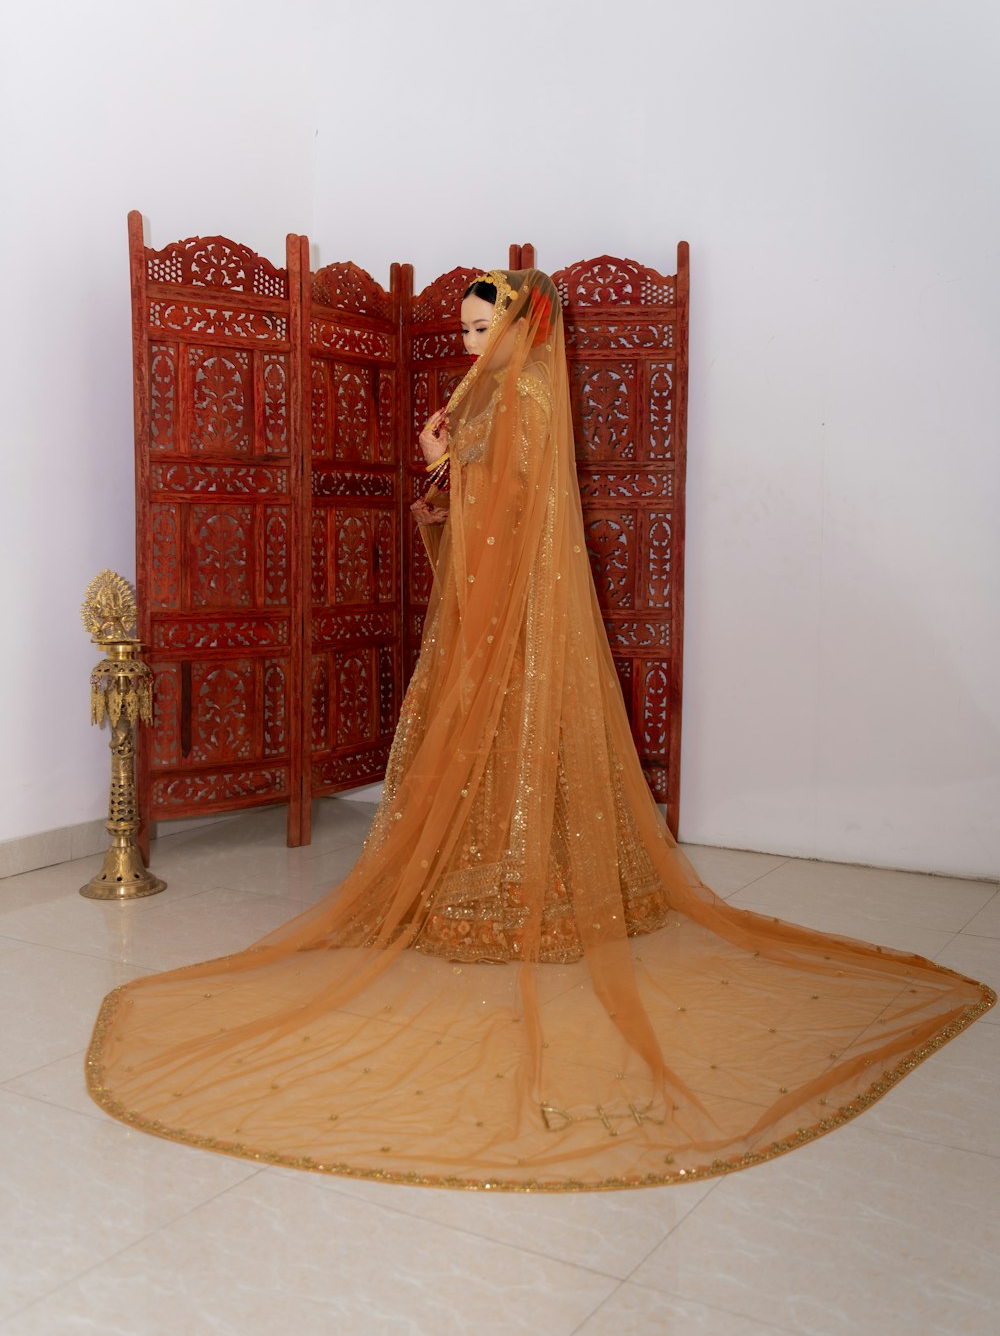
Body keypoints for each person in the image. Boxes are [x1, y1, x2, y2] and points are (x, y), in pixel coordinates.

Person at [86, 267, 995, 1191]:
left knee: (509, 737)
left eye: (482, 326)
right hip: (490, 602)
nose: (469, 341)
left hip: (509, 605)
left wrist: (448, 455)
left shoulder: (514, 393)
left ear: (522, 327)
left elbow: (514, 510)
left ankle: (524, 878)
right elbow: (477, 497)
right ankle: (497, 866)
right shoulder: (490, 392)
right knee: (493, 743)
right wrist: (445, 455)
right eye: (465, 328)